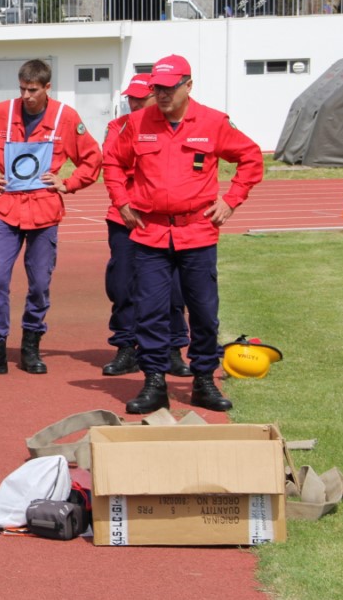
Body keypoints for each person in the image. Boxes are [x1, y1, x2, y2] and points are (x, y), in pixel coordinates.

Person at [103, 54, 263, 414]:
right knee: (151, 311)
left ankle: (203, 380)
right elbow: (111, 160)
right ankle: (154, 383)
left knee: (204, 312)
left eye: (170, 88)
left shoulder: (212, 121)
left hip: (197, 232)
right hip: (150, 232)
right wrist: (122, 201)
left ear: (188, 85)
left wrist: (232, 201)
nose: (162, 94)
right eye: (157, 87)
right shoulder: (137, 121)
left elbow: (251, 158)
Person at [0, 59, 102, 377]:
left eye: (33, 90)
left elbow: (92, 158)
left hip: (44, 212)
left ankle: (31, 346)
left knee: (39, 284)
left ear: (47, 88)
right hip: (8, 210)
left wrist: (68, 183)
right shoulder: (2, 112)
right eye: (23, 89)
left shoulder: (65, 117)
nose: (27, 96)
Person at [101, 73, 192, 378]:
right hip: (126, 216)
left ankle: (173, 347)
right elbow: (117, 161)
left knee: (172, 287)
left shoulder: (174, 127)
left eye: (142, 97)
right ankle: (127, 346)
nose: (135, 102)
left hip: (162, 220)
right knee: (122, 284)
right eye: (131, 97)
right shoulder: (119, 126)